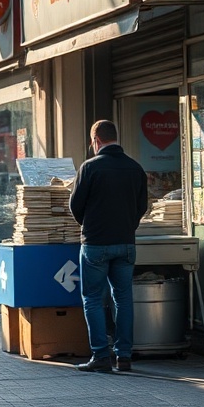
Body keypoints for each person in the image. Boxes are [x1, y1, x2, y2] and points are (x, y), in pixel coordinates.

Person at [68, 119, 149, 373]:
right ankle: (123, 356)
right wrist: (127, 226)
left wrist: (89, 225)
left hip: (95, 243)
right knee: (123, 298)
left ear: (96, 141)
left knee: (92, 298)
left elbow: (75, 205)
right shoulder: (135, 168)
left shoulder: (89, 168)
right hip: (125, 243)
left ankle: (101, 356)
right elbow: (142, 206)